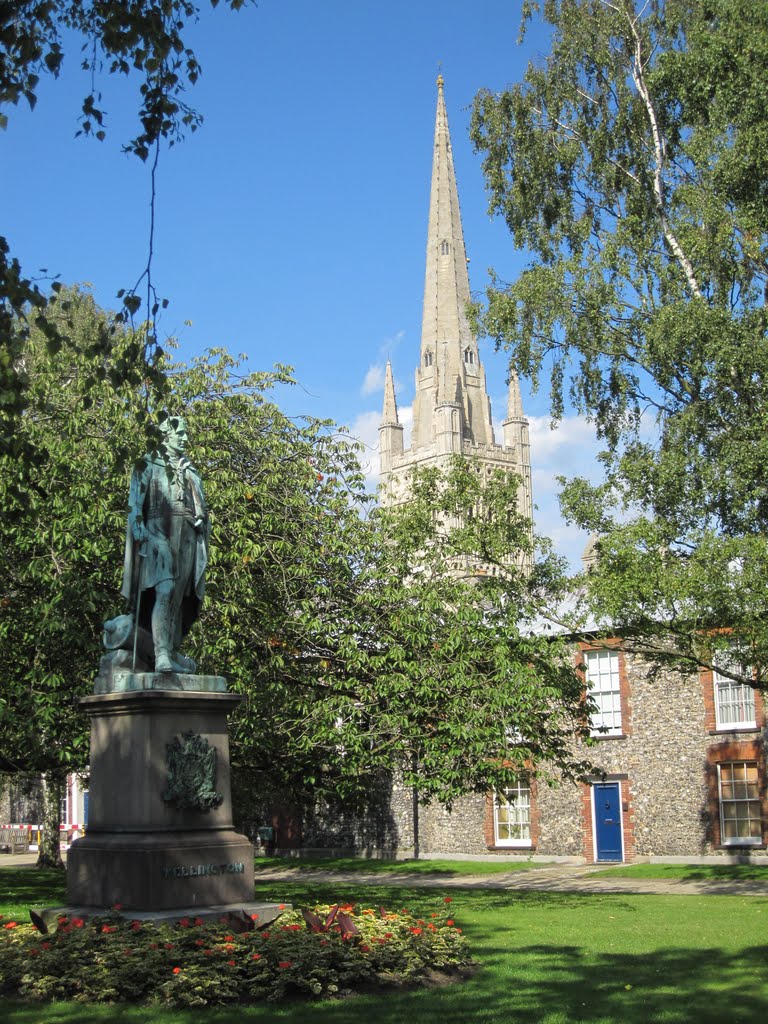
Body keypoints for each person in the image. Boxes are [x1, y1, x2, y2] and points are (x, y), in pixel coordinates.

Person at [121, 415, 209, 673]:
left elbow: (200, 504)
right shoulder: (147, 463)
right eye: (179, 433)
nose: (184, 438)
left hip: (187, 537)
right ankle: (161, 656)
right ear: (165, 435)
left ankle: (170, 650)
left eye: (185, 433)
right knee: (165, 589)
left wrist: (201, 518)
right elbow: (135, 503)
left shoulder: (190, 469)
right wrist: (139, 529)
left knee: (180, 598)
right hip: (158, 532)